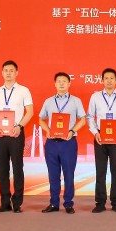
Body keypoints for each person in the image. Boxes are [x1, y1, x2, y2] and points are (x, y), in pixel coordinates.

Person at [0, 60, 34, 213]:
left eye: (11, 70)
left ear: (16, 73)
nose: (8, 73)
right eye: (6, 70)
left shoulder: (23, 90)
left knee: (17, 168)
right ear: (2, 73)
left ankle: (17, 203)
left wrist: (19, 126)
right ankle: (4, 203)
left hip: (16, 134)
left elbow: (30, 112)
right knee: (3, 169)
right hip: (0, 134)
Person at [38, 72, 88, 214]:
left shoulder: (76, 101)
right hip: (52, 143)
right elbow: (41, 119)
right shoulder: (48, 101)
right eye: (59, 81)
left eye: (64, 81)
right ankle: (54, 203)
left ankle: (68, 203)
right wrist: (47, 130)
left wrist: (72, 131)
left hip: (68, 143)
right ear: (55, 84)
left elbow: (83, 120)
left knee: (69, 174)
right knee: (53, 174)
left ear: (69, 84)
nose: (61, 83)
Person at [86, 68, 116, 213]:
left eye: (112, 78)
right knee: (100, 171)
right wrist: (95, 132)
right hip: (100, 136)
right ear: (102, 80)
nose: (109, 81)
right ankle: (100, 203)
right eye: (106, 78)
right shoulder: (95, 96)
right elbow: (90, 116)